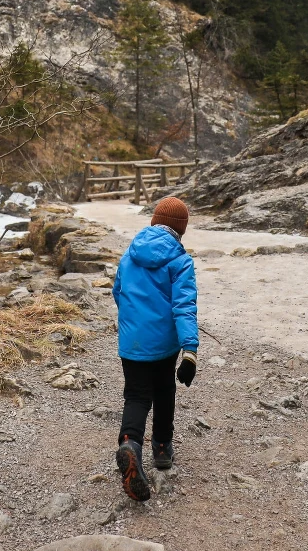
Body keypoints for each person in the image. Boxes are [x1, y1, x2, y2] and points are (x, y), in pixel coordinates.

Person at [110, 196, 198, 502]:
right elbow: (184, 307)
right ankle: (161, 448)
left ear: (153, 221)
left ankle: (130, 443)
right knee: (164, 391)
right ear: (181, 229)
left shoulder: (129, 255)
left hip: (131, 342)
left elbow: (118, 292)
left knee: (135, 395)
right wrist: (190, 350)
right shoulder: (180, 261)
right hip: (163, 345)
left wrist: (133, 323)